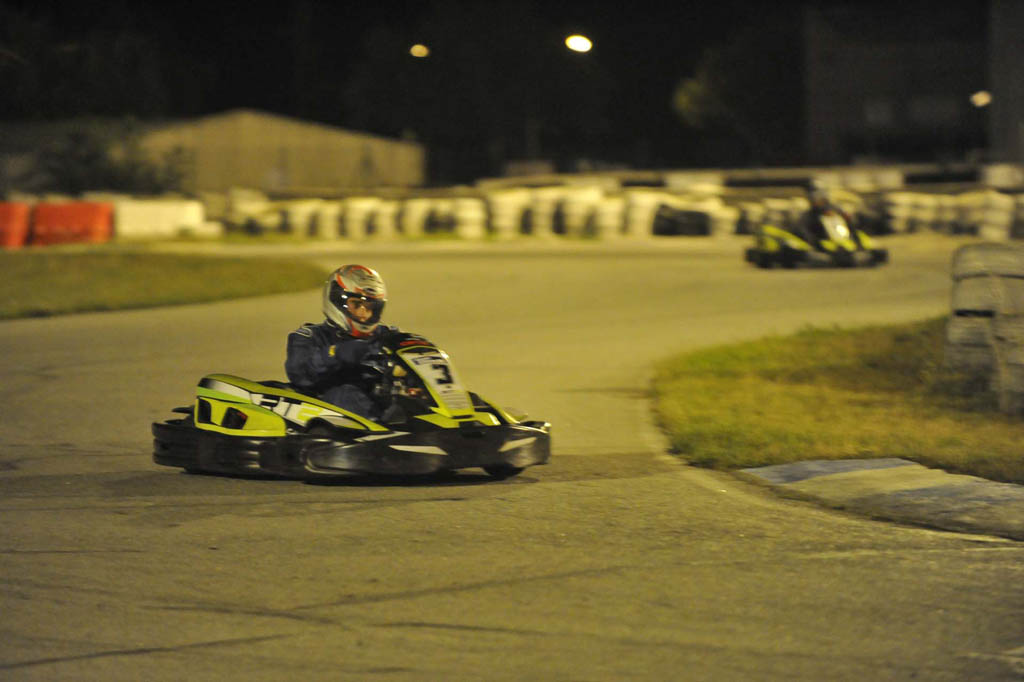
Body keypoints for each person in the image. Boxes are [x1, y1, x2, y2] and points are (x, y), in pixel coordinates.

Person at [285, 264, 397, 418]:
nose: (363, 312)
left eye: (370, 306)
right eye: (356, 304)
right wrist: (336, 354)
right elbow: (299, 373)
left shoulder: (387, 336)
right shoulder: (310, 336)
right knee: (345, 394)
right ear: (336, 300)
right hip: (331, 413)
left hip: (383, 405)